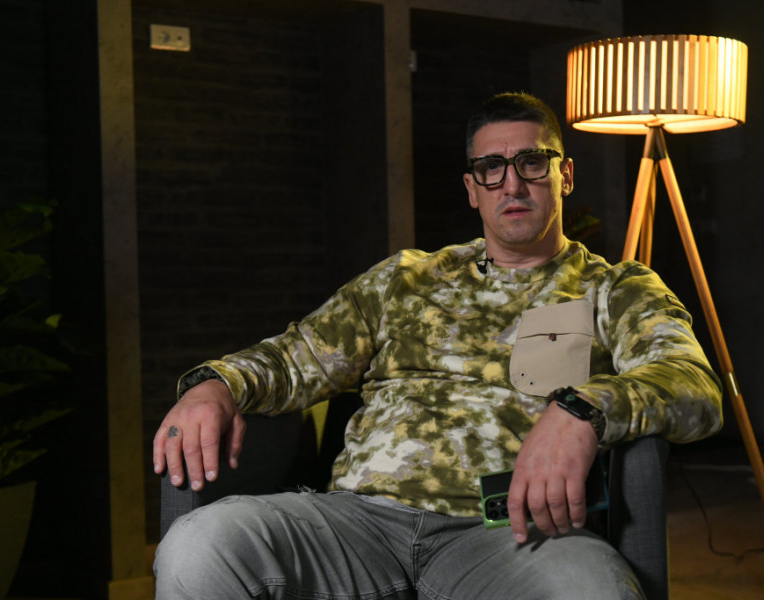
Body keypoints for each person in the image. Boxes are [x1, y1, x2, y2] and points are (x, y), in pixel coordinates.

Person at [152, 92, 723, 599]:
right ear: (472, 189)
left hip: (511, 534)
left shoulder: (614, 289)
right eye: (491, 168)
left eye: (532, 162)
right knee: (200, 544)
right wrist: (215, 385)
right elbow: (293, 357)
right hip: (359, 523)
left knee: (594, 590)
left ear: (565, 175)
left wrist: (583, 409)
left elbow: (693, 384)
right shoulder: (405, 279)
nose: (512, 184)